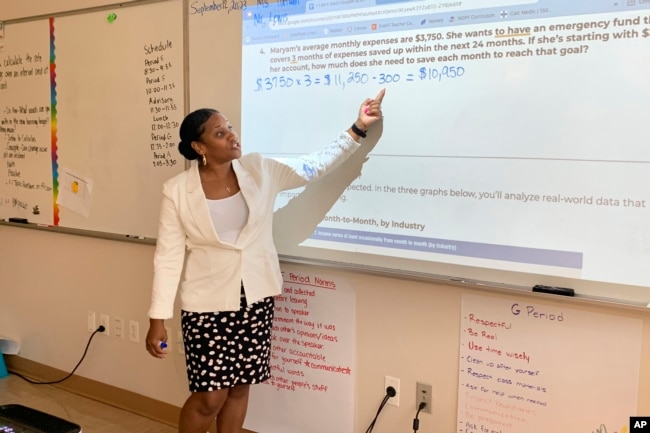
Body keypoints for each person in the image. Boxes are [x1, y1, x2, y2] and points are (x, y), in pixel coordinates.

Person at [145, 88, 385, 433]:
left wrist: (358, 128)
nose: (232, 135)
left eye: (229, 128)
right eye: (220, 132)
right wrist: (158, 318)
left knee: (240, 388)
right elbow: (167, 257)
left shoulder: (259, 169)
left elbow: (312, 166)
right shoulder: (177, 190)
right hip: (205, 304)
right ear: (200, 147)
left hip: (254, 299)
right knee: (210, 397)